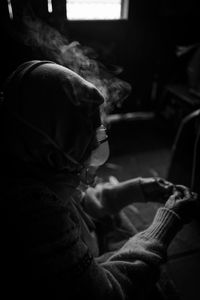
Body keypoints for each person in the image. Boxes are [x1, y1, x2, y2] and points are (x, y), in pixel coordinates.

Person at [0, 60, 198, 300]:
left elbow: (81, 204)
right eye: (87, 137)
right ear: (52, 154)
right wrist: (167, 221)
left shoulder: (38, 171)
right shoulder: (34, 216)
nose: (97, 144)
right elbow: (110, 293)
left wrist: (136, 190)